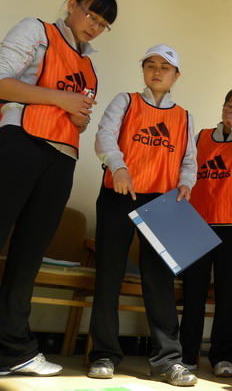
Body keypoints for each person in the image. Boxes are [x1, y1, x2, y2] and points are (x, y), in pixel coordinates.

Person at [0, 0, 117, 377]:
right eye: (91, 14)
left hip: (62, 159)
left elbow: (75, 120)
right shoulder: (38, 30)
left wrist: (78, 118)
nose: (95, 26)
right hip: (20, 143)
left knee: (28, 256)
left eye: (103, 23)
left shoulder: (89, 67)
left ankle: (9, 350)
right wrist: (62, 100)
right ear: (72, 5)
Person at [88, 44, 197, 386]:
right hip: (119, 194)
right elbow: (104, 136)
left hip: (163, 202)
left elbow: (189, 160)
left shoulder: (184, 116)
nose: (157, 71)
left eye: (165, 67)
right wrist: (118, 166)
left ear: (176, 75)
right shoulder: (126, 101)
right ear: (144, 71)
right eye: (150, 65)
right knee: (109, 274)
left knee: (160, 282)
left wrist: (186, 184)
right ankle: (104, 354)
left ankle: (168, 361)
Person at [179, 87, 232, 377]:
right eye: (230, 106)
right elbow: (184, 171)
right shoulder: (200, 137)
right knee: (193, 292)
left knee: (226, 295)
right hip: (196, 224)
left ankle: (222, 357)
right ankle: (187, 355)